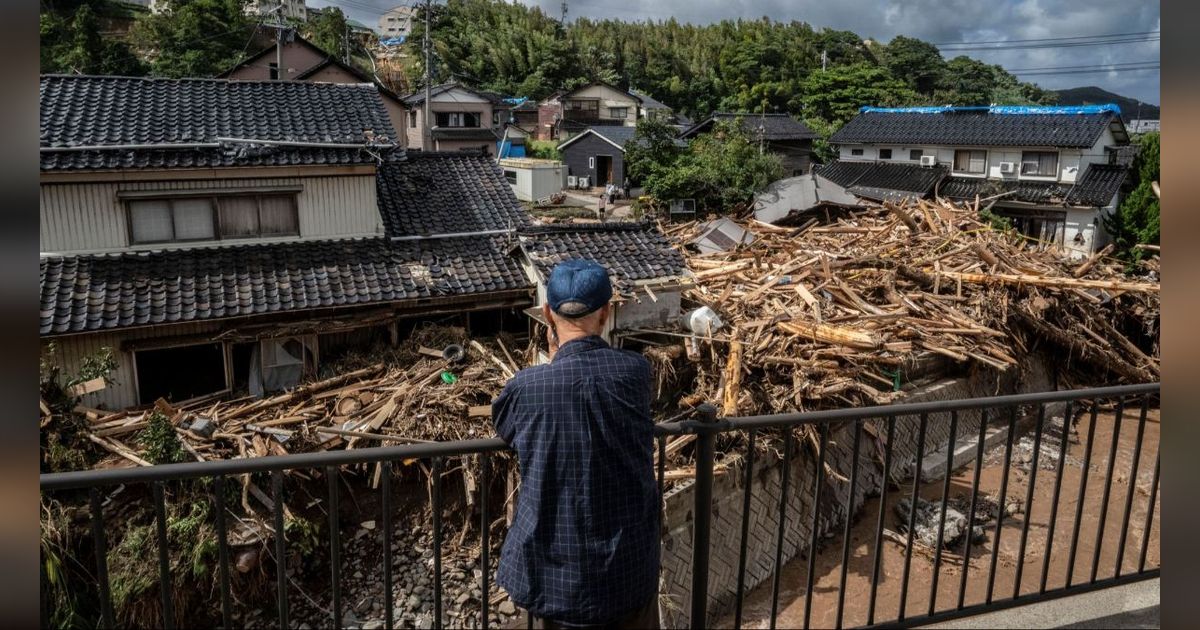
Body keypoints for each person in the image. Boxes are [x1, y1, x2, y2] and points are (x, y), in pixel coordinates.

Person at [491, 259, 660, 629]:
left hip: (554, 582)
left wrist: (555, 364)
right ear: (606, 312)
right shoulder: (634, 371)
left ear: (548, 314)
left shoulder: (527, 387)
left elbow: (505, 426)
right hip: (628, 572)